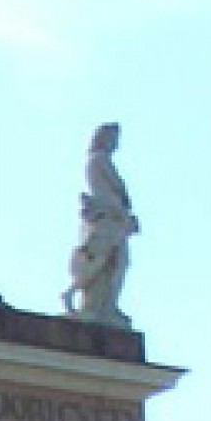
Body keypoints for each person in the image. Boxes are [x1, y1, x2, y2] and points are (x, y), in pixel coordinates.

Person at [61, 121, 138, 327]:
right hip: (107, 220)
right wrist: (122, 214)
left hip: (116, 221)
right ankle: (78, 297)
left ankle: (107, 306)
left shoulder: (103, 161)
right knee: (101, 262)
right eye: (112, 137)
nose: (115, 143)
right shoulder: (98, 160)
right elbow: (113, 193)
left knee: (119, 264)